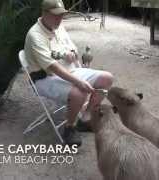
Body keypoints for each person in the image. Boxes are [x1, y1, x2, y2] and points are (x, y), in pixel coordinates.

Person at [24, 0, 113, 146]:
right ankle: (69, 128)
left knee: (107, 79)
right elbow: (53, 67)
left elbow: (72, 47)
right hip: (45, 78)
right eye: (55, 15)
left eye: (62, 15)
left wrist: (72, 52)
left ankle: (85, 119)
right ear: (44, 13)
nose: (59, 19)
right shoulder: (35, 35)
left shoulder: (58, 26)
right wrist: (78, 81)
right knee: (79, 92)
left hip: (70, 70)